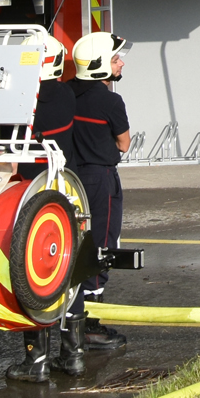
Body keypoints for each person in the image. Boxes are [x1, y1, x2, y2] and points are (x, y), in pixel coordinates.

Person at [8, 34, 78, 383]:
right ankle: (74, 355)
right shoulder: (66, 94)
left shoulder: (23, 99)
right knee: (69, 271)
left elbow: (7, 149)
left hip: (31, 194)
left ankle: (36, 362)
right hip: (65, 191)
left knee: (32, 275)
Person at [66, 31, 133, 360]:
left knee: (76, 246)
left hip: (71, 179)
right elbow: (124, 143)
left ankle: (72, 319)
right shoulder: (110, 102)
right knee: (101, 247)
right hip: (101, 181)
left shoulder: (66, 93)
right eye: (115, 58)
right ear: (100, 65)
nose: (121, 63)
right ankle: (90, 327)